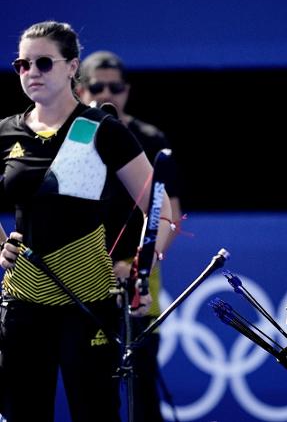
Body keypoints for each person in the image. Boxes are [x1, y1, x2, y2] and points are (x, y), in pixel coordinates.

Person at [0, 21, 172, 422]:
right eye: (22, 64)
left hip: (88, 301)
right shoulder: (5, 131)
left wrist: (140, 271)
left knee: (95, 413)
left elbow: (159, 209)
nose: (32, 73)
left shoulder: (104, 130)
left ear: (72, 66)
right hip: (23, 299)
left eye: (44, 63)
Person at [77, 51, 182, 422]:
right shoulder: (72, 140)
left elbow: (170, 214)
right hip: (81, 275)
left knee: (142, 378)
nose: (107, 93)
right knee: (92, 384)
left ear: (127, 90)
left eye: (115, 87)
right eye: (96, 86)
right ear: (79, 89)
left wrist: (141, 263)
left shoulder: (150, 139)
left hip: (138, 273)